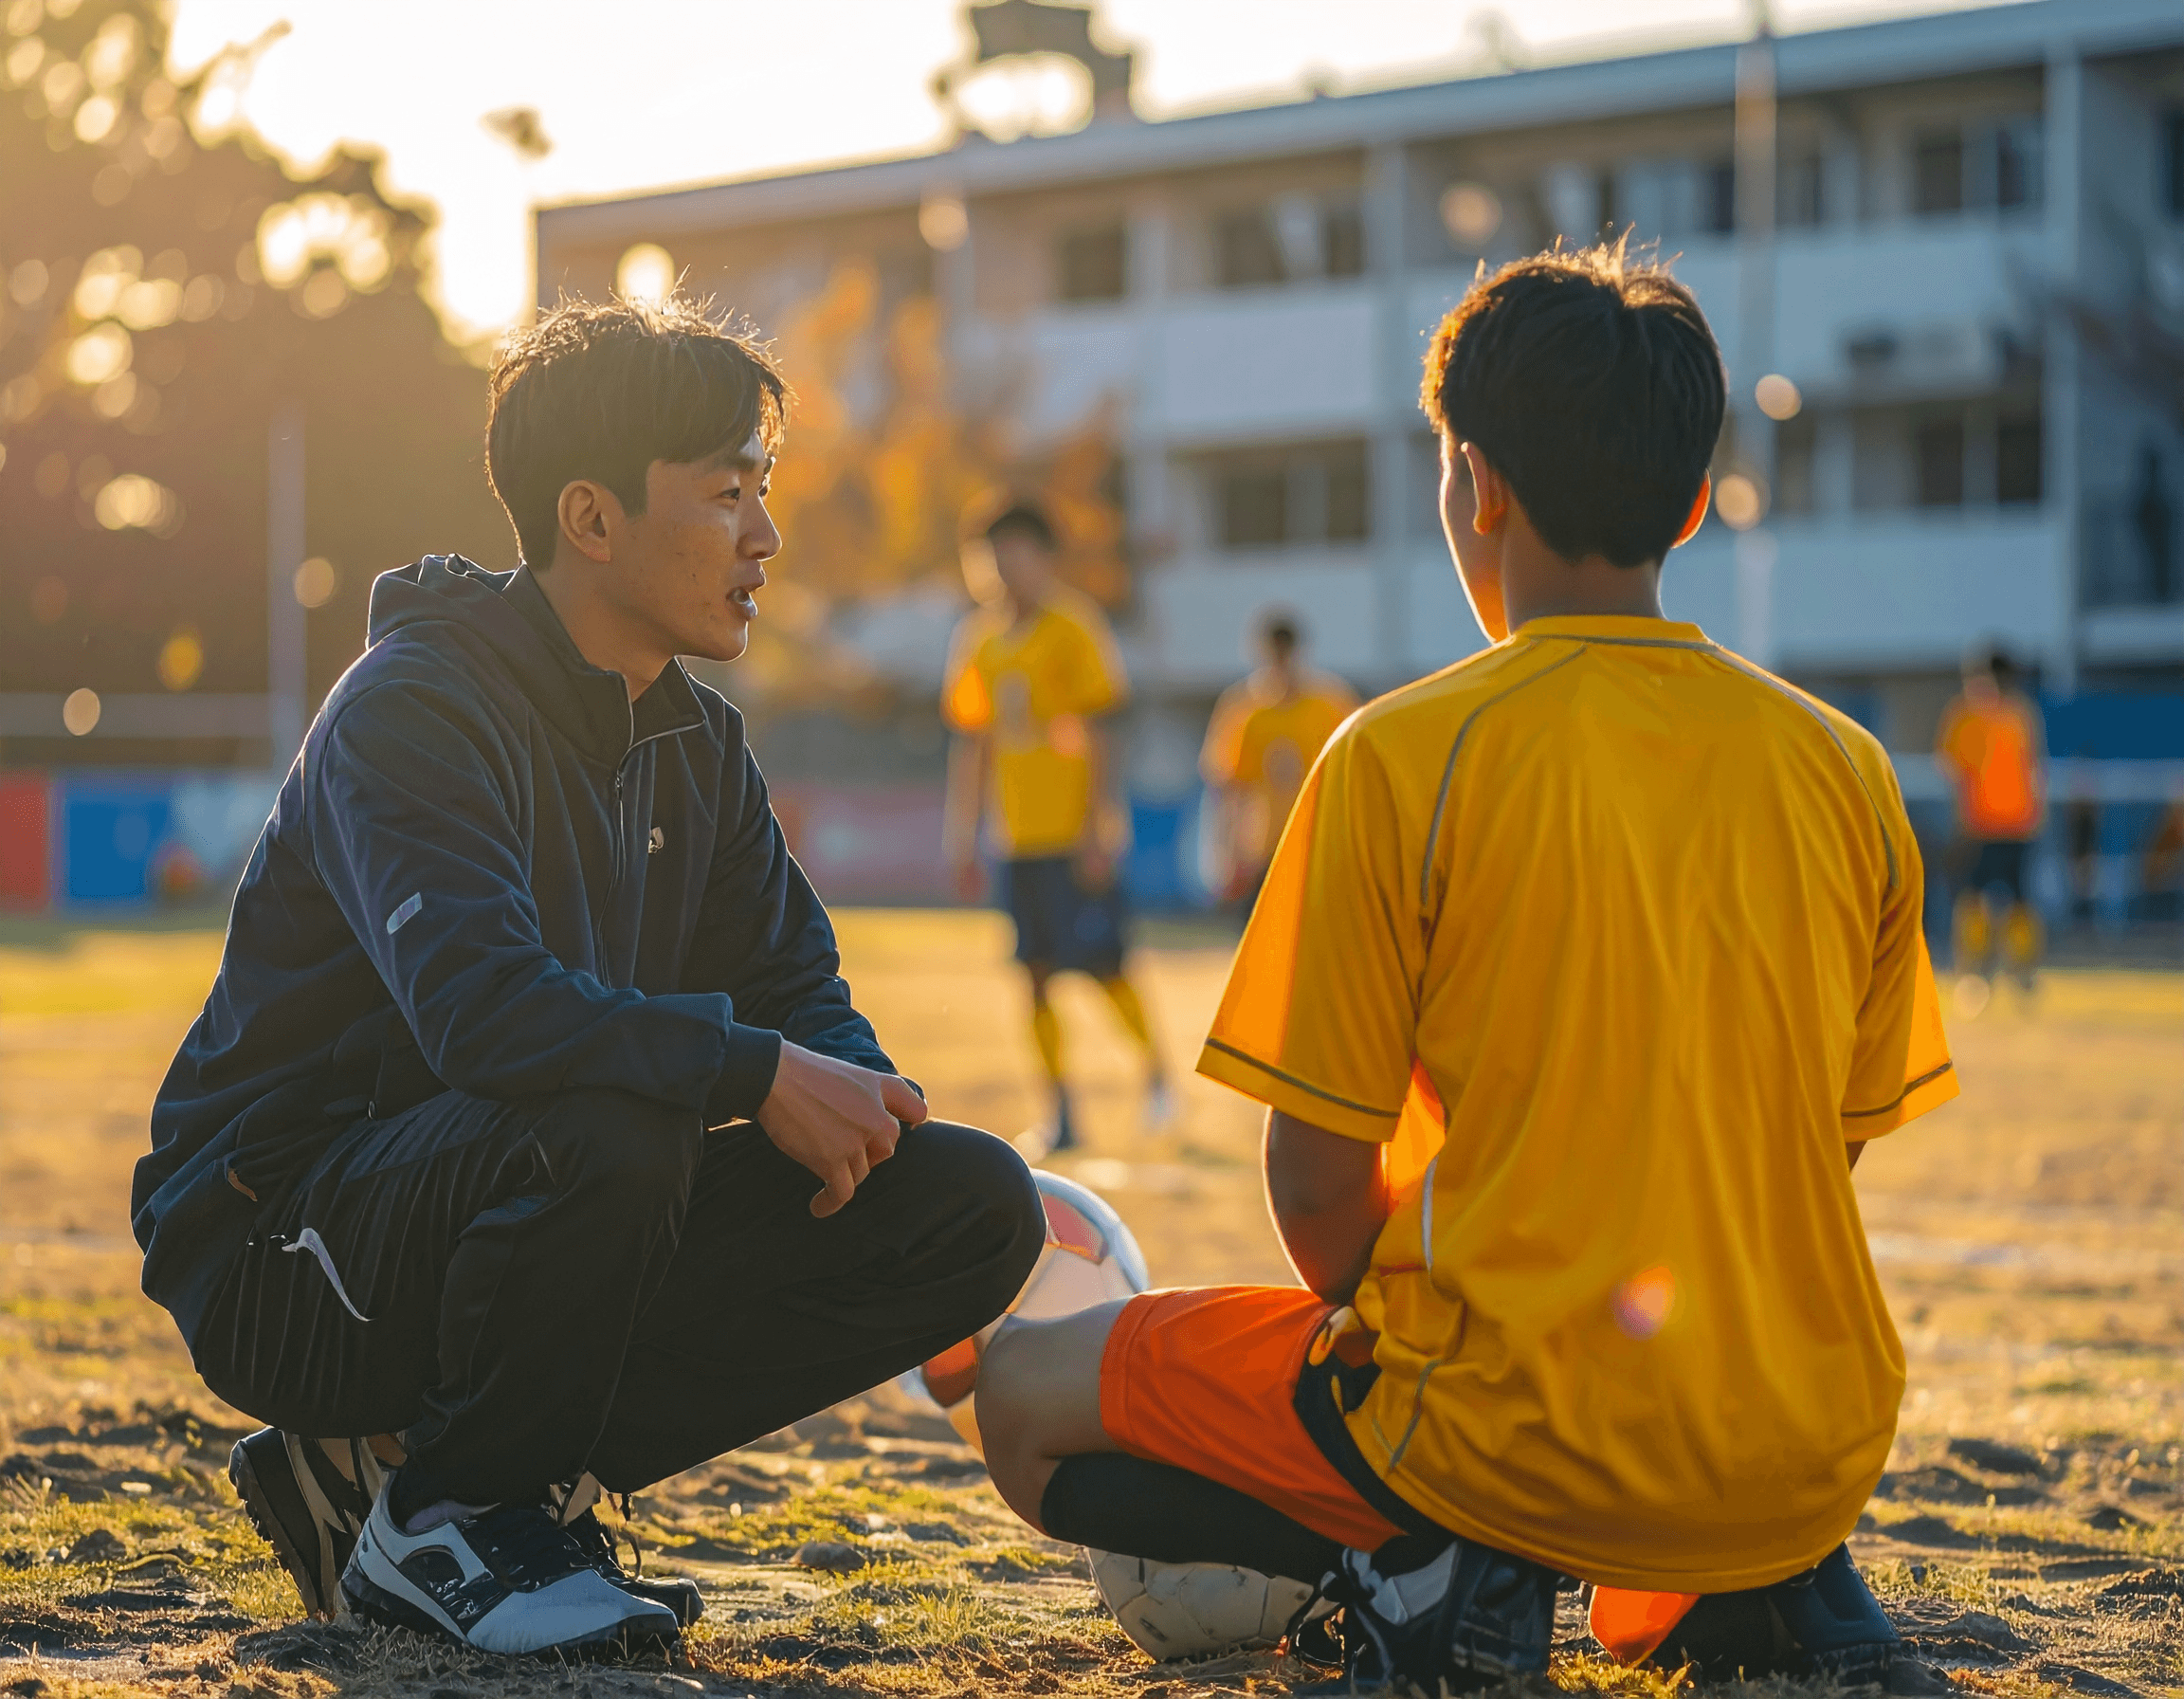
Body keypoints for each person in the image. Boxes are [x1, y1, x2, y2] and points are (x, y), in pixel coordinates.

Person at [973, 244, 1956, 1696]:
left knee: (1020, 1395)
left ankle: (1421, 1560)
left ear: (1474, 488)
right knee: (1647, 1463)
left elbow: (1313, 1192)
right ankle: (1761, 1581)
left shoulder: (1397, 756)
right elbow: (1828, 1153)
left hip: (1491, 1429)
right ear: (1693, 502)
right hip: (1803, 1446)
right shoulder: (1848, 767)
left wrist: (1448, 1338)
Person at [132, 295, 1045, 1657]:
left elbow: (804, 999)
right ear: (592, 519)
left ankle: (453, 1478)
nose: (764, 535)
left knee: (972, 1204)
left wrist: (868, 1120)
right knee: (618, 1105)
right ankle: (445, 1515)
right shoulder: (414, 708)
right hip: (283, 1250)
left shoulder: (698, 745)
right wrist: (752, 1073)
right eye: (727, 492)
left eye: (765, 490)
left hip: (500, 1190)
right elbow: (485, 1013)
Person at [941, 500, 1172, 1154]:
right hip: (1018, 840)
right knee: (1034, 975)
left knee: (1106, 968)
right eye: (989, 555)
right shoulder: (978, 642)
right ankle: (1061, 1111)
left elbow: (1101, 731)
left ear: (1043, 558)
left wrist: (1102, 826)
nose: (1003, 567)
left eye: (1016, 551)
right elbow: (974, 744)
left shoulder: (1073, 627)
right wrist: (964, 835)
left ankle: (1155, 1077)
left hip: (1075, 837)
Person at [1198, 611, 1358, 910]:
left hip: (1317, 845)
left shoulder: (1330, 706)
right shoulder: (1246, 712)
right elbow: (1230, 789)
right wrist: (1225, 852)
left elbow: (1353, 781)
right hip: (1262, 848)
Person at [1935, 644, 2047, 994]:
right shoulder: (2011, 715)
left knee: (1999, 901)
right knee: (1991, 900)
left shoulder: (1990, 715)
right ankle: (1994, 974)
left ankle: (2000, 974)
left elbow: (1954, 769)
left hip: (2000, 825)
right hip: (1995, 825)